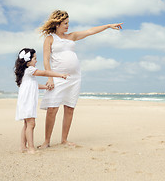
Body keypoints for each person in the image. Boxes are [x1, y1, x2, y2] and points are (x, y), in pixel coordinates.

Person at [38, 10, 122, 148]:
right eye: (65, 23)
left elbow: (90, 31)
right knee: (52, 108)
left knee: (69, 108)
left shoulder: (72, 36)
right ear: (57, 24)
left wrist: (107, 26)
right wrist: (50, 77)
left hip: (74, 78)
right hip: (57, 77)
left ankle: (64, 140)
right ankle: (46, 141)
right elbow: (46, 59)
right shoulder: (50, 38)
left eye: (68, 23)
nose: (67, 26)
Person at [14, 48, 69, 154]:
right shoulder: (30, 70)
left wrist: (45, 87)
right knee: (31, 124)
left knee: (26, 124)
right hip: (28, 102)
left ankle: (22, 147)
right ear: (28, 61)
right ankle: (31, 148)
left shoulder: (26, 73)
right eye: (34, 58)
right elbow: (44, 72)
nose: (36, 61)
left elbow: (33, 85)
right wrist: (60, 75)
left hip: (24, 101)